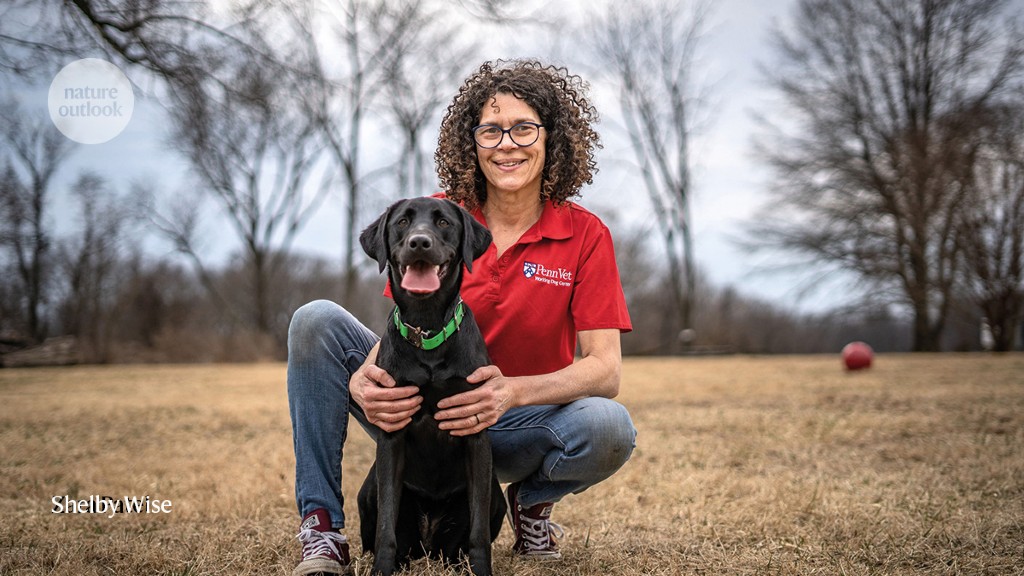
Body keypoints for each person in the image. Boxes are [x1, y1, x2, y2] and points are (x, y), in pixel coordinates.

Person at [286, 59, 637, 576]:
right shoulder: (435, 220)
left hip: (510, 424)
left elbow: (605, 370)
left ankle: (529, 503)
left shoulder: (585, 234)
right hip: (412, 411)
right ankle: (322, 529)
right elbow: (403, 328)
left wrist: (509, 393)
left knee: (609, 425)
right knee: (314, 319)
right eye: (490, 130)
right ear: (470, 142)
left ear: (551, 138)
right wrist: (363, 381)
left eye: (523, 128)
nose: (507, 143)